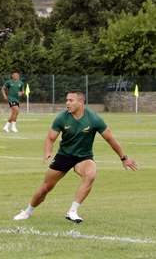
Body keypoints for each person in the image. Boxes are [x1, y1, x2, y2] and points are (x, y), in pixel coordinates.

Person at [13, 91, 137, 223]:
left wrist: (124, 158)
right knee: (46, 187)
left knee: (90, 174)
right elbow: (50, 138)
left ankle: (72, 211)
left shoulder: (94, 119)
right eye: (66, 100)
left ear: (81, 102)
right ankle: (27, 211)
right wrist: (48, 152)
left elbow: (110, 139)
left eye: (71, 100)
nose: (67, 103)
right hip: (64, 156)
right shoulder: (61, 117)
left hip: (83, 157)